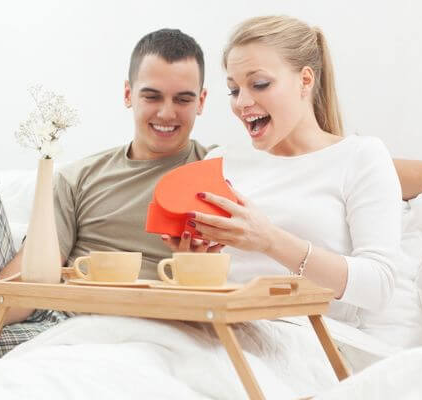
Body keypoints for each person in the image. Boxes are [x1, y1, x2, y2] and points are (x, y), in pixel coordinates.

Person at [0, 24, 422, 365]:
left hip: (122, 318)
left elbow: (350, 170)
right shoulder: (101, 173)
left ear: (198, 107)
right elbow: (37, 266)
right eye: (153, 96)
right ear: (127, 95)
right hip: (42, 296)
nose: (168, 113)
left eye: (187, 99)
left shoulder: (219, 165)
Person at [173, 15, 405, 324]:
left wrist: (269, 240)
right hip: (217, 330)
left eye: (259, 84)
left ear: (305, 80)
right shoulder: (218, 161)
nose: (242, 102)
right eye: (233, 90)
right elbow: (203, 288)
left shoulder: (360, 156)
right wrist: (194, 262)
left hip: (310, 341)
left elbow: (378, 286)